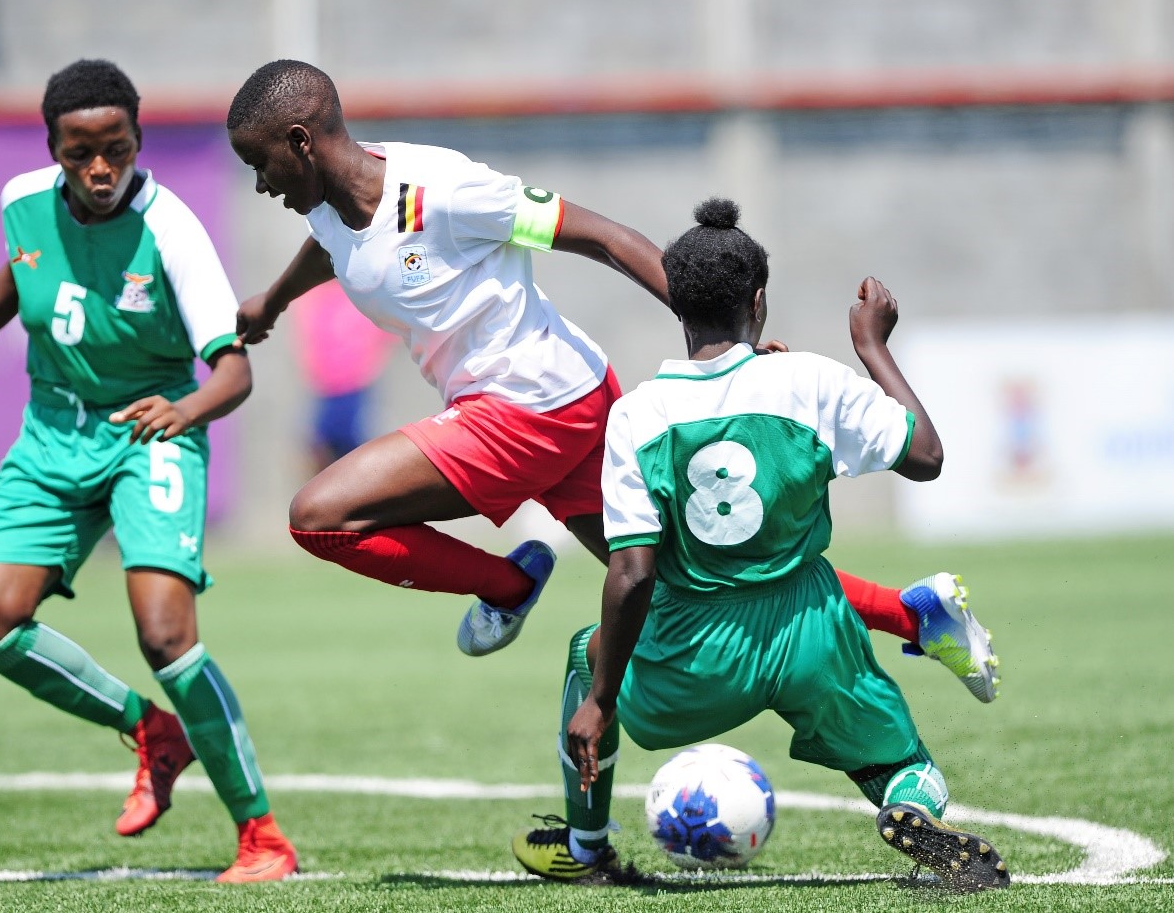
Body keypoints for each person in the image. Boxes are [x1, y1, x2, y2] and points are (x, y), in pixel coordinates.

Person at [224, 59, 998, 704]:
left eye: (260, 164)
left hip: (529, 409)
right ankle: (917, 614)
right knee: (688, 588)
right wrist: (273, 300)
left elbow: (602, 237)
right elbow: (332, 248)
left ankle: (506, 584)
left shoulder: (446, 192)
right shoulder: (327, 205)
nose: (260, 184)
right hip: (564, 406)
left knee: (319, 515)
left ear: (301, 141)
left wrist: (722, 336)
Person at [0, 59, 296, 884]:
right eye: (78, 152)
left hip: (151, 430)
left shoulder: (173, 231)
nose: (98, 170)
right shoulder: (22, 200)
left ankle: (262, 835)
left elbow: (235, 373)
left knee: (166, 635)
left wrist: (184, 413)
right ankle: (150, 732)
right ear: (52, 146)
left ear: (137, 140)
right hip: (51, 435)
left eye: (115, 150)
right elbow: (18, 280)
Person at [510, 199, 1009, 892]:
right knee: (908, 765)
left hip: (697, 650)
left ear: (677, 307)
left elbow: (631, 573)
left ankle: (586, 846)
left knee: (585, 652)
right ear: (759, 301)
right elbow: (925, 456)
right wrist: (873, 347)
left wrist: (601, 696)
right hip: (812, 631)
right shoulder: (809, 380)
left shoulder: (639, 415)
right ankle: (906, 807)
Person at [287, 278, 396, 473]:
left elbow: (386, 331)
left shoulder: (361, 295)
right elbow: (308, 335)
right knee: (322, 443)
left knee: (354, 443)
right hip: (326, 384)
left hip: (356, 382)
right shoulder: (317, 296)